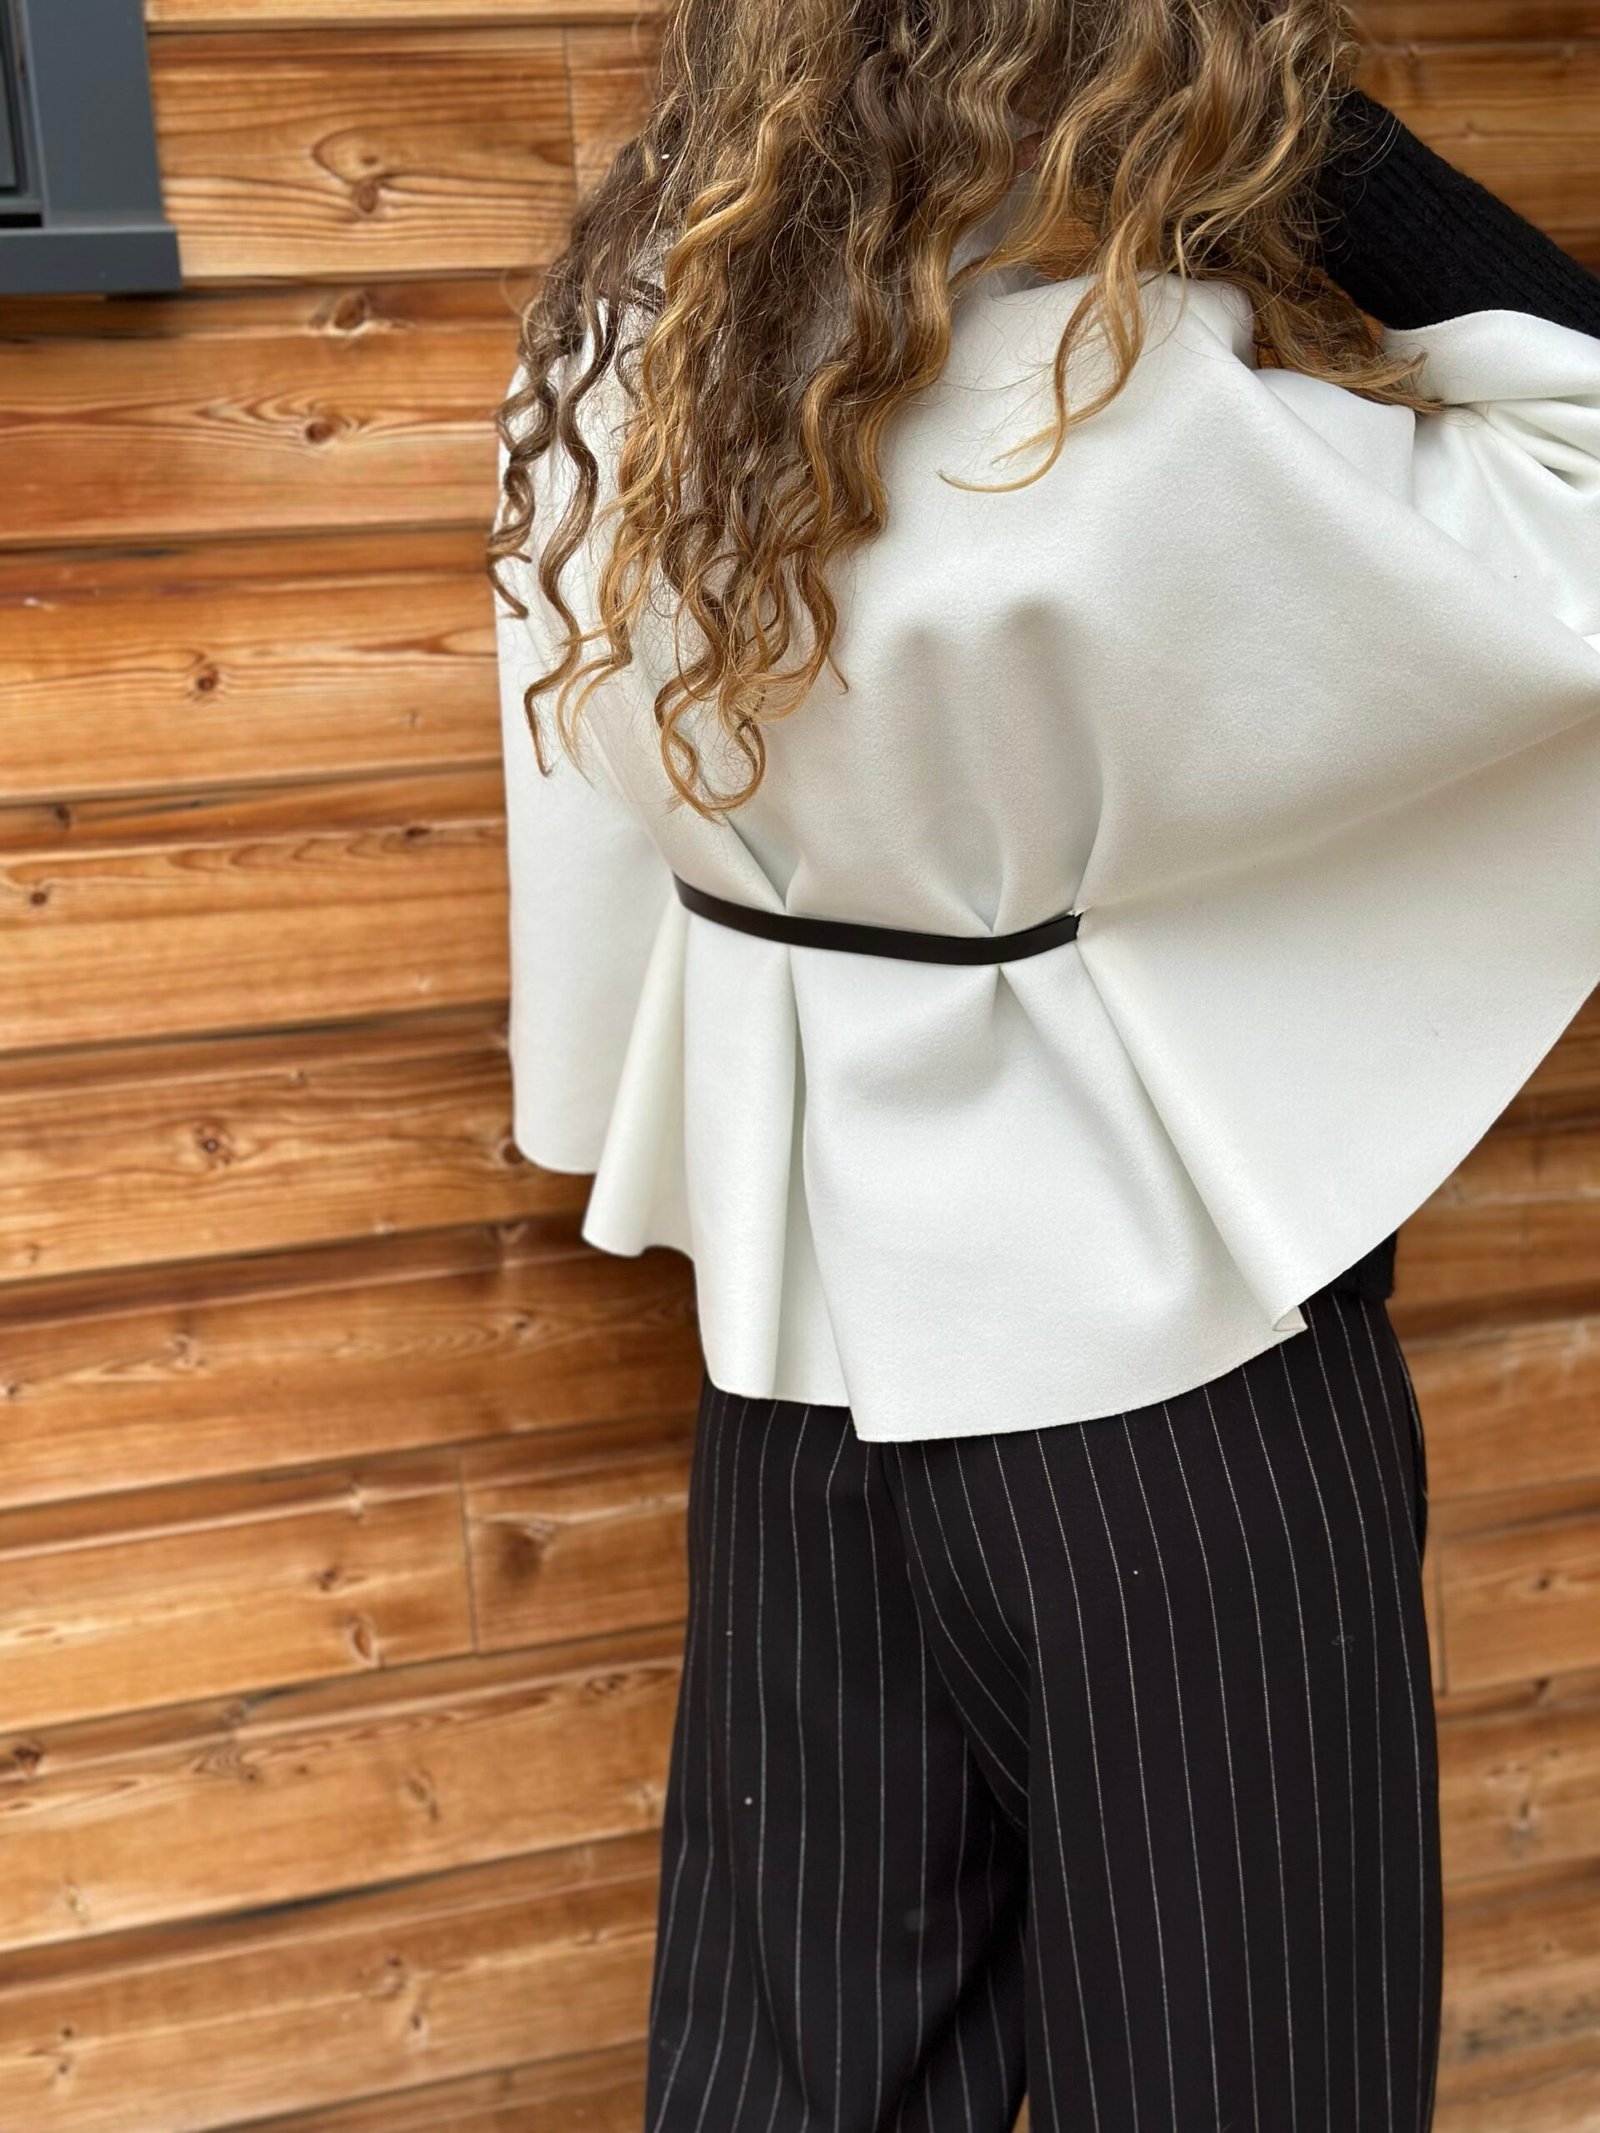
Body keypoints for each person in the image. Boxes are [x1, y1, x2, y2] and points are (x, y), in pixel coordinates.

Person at [487, 4, 1600, 2123]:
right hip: (1164, 1363)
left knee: (794, 2051)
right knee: (1239, 2058)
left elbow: (592, 811)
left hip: (794, 1325)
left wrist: (630, 1118)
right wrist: (1324, 146)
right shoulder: (1139, 424)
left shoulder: (623, 368)